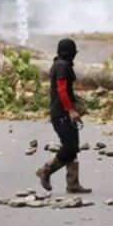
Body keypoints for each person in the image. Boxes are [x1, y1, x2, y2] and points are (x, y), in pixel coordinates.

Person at [35, 39, 90, 193]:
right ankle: (46, 170)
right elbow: (62, 90)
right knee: (70, 147)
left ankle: (73, 183)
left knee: (72, 146)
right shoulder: (62, 66)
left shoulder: (58, 64)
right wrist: (71, 110)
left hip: (62, 112)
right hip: (61, 113)